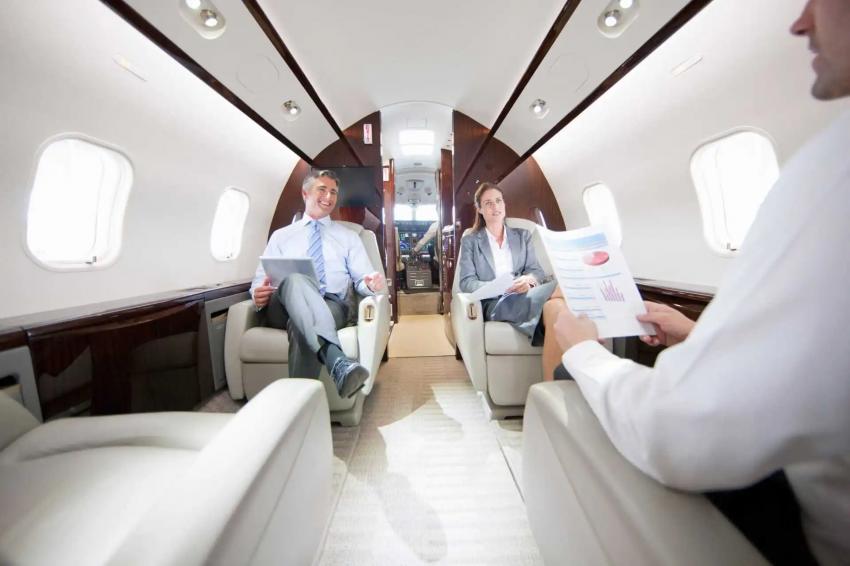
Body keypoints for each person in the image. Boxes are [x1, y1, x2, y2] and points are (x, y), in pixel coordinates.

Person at [552, 1, 850, 564]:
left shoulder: (834, 175)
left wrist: (585, 352)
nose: (800, 21)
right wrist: (696, 332)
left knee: (573, 369)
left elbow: (676, 433)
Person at [250, 170, 385, 398]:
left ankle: (299, 404)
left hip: (331, 305)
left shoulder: (349, 237)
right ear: (305, 193)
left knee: (300, 325)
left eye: (333, 192)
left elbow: (362, 280)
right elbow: (259, 280)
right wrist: (257, 293)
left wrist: (369, 284)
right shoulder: (281, 236)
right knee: (295, 279)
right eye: (322, 190)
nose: (329, 197)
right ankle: (337, 361)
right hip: (282, 306)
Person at [458, 182, 566, 380]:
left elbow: (536, 271)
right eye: (488, 203)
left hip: (525, 293)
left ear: (504, 204)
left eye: (498, 201)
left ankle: (552, 387)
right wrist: (498, 287)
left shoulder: (523, 236)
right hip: (495, 302)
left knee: (557, 308)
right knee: (565, 288)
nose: (495, 206)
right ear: (480, 209)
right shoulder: (470, 241)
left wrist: (529, 280)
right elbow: (466, 282)